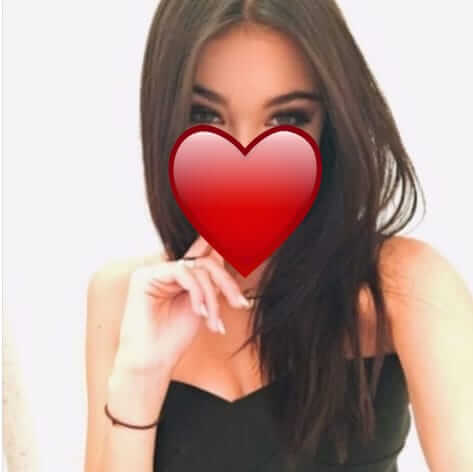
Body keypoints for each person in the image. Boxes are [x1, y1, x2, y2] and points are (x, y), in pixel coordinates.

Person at [84, 1, 473, 471]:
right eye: (204, 116)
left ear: (330, 121)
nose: (245, 154)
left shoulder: (403, 284)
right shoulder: (125, 296)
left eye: (287, 120)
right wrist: (140, 379)